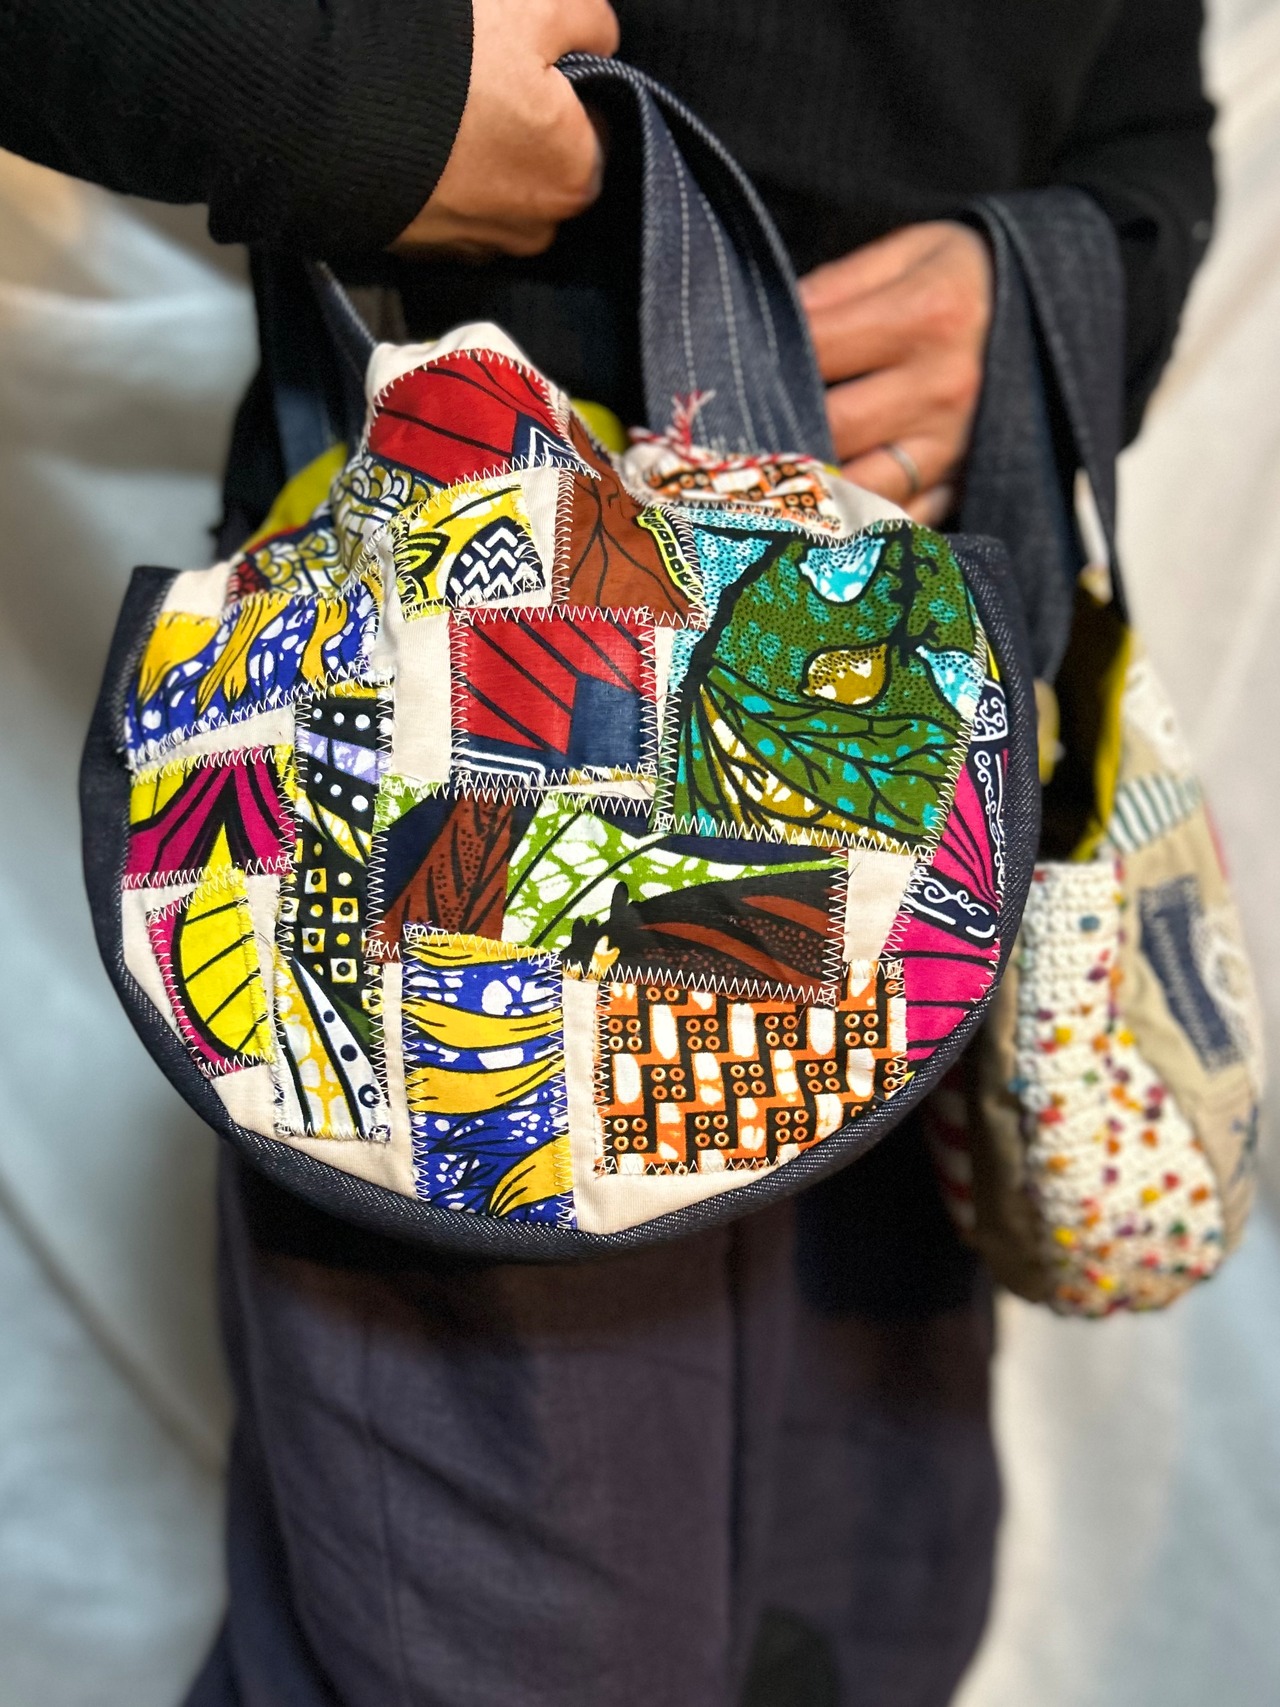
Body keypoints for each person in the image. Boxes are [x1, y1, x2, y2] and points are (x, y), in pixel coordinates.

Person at [0, 2, 1214, 1702]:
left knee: (858, 1608)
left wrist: (1055, 282)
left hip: (889, 787)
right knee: (502, 1642)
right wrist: (346, 87)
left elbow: (1149, 113)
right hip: (436, 759)